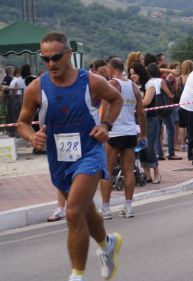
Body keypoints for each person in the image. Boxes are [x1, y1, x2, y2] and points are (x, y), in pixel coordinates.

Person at [17, 31, 123, 281]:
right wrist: (32, 136)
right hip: (59, 159)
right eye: (45, 59)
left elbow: (116, 99)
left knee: (73, 212)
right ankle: (107, 244)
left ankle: (77, 276)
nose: (51, 64)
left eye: (55, 57)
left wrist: (106, 125)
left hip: (89, 152)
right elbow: (22, 122)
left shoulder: (91, 81)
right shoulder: (36, 88)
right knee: (86, 211)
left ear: (68, 54)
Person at [99, 58, 147, 220]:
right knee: (128, 171)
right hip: (130, 132)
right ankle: (128, 207)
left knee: (106, 171)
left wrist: (102, 127)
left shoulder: (111, 84)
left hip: (114, 132)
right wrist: (143, 134)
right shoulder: (133, 86)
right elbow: (141, 113)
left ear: (111, 69)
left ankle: (106, 209)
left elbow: (104, 110)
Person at [175, 60, 193, 152]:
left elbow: (176, 89)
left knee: (182, 125)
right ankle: (190, 143)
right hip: (192, 103)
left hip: (182, 102)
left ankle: (182, 144)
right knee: (191, 125)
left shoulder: (180, 78)